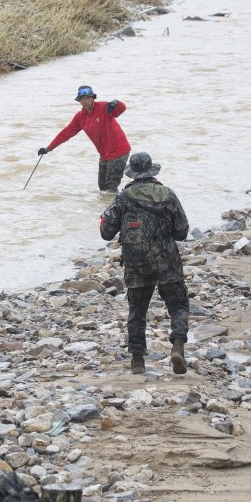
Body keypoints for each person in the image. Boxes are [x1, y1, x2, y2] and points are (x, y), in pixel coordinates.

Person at [99, 153, 191, 375]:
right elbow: (182, 231)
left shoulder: (123, 197)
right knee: (178, 306)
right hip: (167, 262)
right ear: (152, 171)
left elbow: (106, 232)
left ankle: (137, 360)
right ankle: (178, 345)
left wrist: (104, 219)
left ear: (132, 173)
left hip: (136, 264)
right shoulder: (168, 194)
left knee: (137, 311)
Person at [39, 85, 132, 192]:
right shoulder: (80, 117)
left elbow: (122, 108)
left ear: (93, 98)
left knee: (110, 187)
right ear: (79, 101)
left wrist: (116, 103)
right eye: (82, 99)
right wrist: (48, 148)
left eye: (88, 98)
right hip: (104, 153)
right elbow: (66, 133)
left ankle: (118, 202)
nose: (85, 101)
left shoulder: (104, 107)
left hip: (119, 151)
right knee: (102, 187)